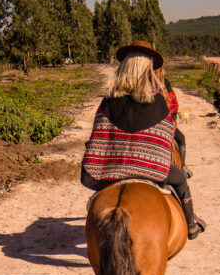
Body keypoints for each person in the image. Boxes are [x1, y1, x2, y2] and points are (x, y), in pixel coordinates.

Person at [81, 40, 206, 238]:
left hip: (112, 169)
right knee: (181, 179)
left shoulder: (109, 100)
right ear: (147, 69)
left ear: (124, 68)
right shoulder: (157, 101)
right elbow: (165, 139)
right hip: (151, 169)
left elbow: (99, 137)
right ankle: (191, 226)